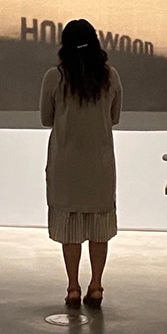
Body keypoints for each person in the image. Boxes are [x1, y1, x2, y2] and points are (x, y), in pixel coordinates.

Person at [41, 19, 123, 309]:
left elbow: (46, 118)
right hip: (100, 163)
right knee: (99, 227)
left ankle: (73, 287)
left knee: (70, 229)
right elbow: (114, 117)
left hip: (65, 163)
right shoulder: (110, 76)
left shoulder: (55, 77)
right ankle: (96, 286)